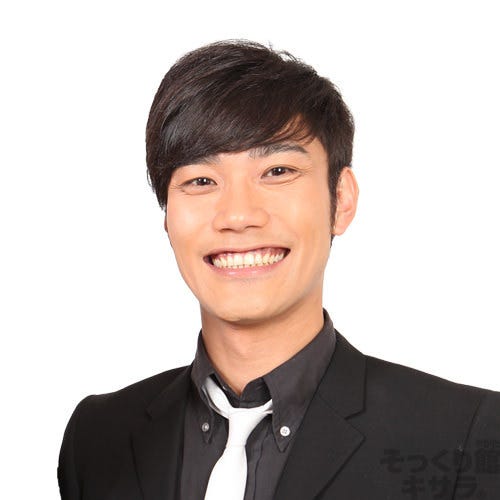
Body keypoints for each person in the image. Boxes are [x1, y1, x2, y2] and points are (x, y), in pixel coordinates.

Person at [58, 40, 500, 500]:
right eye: (201, 180)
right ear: (167, 216)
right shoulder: (97, 438)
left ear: (341, 200)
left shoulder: (466, 435)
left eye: (277, 171)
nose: (238, 215)